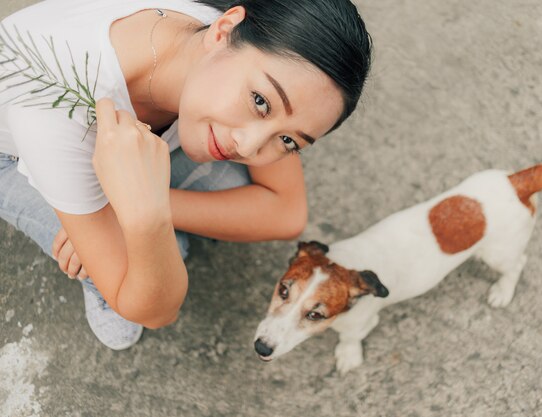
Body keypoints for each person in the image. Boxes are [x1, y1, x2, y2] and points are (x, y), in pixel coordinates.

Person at [0, 0, 371, 349]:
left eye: (289, 139)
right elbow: (157, 312)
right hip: (11, 155)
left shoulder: (246, 40)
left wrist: (137, 205)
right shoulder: (55, 119)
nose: (248, 146)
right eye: (260, 101)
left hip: (123, 138)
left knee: (211, 205)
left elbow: (287, 213)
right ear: (224, 29)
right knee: (131, 313)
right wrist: (144, 222)